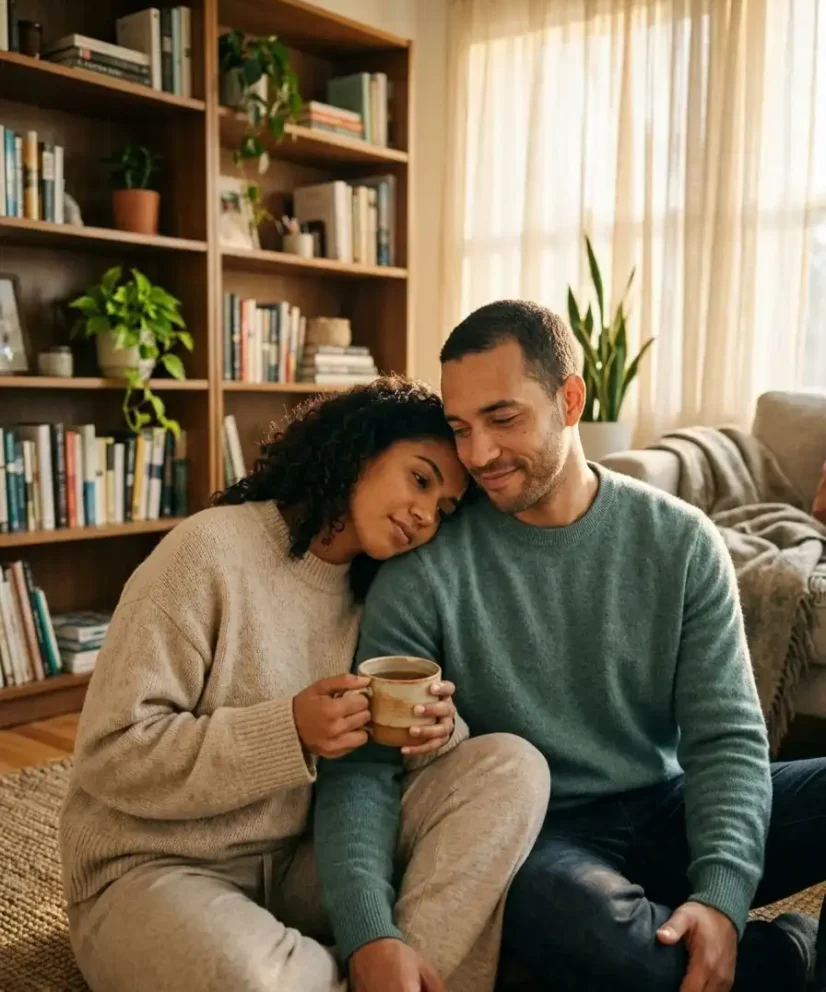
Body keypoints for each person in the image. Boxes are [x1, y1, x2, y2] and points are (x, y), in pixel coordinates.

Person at [313, 302, 826, 992]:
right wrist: (368, 931)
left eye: (503, 419)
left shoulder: (680, 541)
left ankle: (727, 944)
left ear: (571, 398)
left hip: (667, 800)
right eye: (461, 429)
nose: (479, 455)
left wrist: (723, 898)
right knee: (565, 919)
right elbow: (364, 768)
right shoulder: (424, 567)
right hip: (543, 838)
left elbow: (726, 737)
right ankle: (791, 958)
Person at [59, 377, 550, 992]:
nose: (426, 515)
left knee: (512, 766)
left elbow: (372, 772)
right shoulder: (207, 551)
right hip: (153, 868)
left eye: (444, 509)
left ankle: (396, 969)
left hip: (298, 867)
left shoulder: (377, 593)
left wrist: (437, 735)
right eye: (420, 479)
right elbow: (110, 756)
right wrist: (287, 730)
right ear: (360, 450)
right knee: (255, 980)